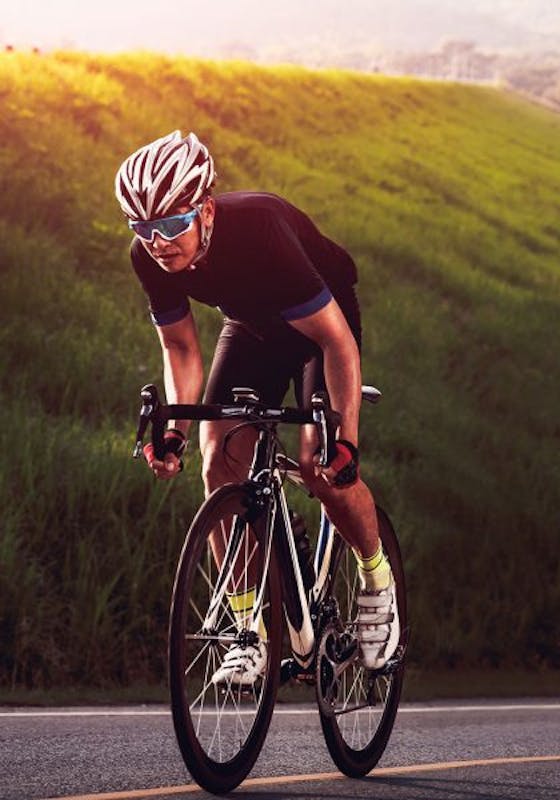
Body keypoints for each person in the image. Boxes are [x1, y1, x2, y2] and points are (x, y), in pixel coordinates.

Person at [115, 130, 399, 683]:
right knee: (218, 456)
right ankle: (247, 632)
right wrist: (171, 430)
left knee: (323, 467)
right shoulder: (148, 256)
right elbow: (180, 347)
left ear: (206, 210)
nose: (159, 242)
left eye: (172, 225)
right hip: (250, 326)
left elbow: (336, 343)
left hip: (320, 325)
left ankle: (376, 579)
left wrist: (348, 442)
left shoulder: (262, 230)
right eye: (144, 228)